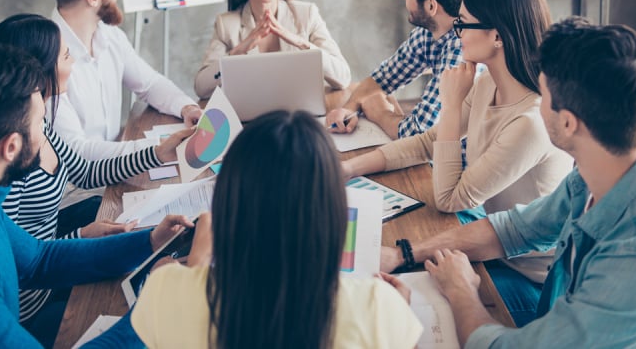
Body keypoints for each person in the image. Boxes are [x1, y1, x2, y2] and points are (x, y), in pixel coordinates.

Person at [391, 17, 636, 347]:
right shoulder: (611, 163)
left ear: (567, 123)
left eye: (543, 94)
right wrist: (402, 254)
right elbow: (514, 229)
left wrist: (462, 289)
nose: (537, 103)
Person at [0, 45, 193, 348]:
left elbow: (38, 260)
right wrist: (158, 306)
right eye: (40, 124)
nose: (46, 132)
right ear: (10, 147)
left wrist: (149, 242)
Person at [344, 0, 573, 326]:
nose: (456, 33)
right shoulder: (485, 84)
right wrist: (347, 168)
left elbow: (450, 198)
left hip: (528, 278)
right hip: (493, 238)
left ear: (497, 36)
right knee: (399, 234)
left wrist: (451, 107)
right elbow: (426, 142)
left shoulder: (530, 121)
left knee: (413, 300)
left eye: (463, 24)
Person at [130, 110, 423, 348]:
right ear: (331, 212)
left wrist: (191, 270)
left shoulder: (164, 291)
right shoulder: (380, 310)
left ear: (227, 203)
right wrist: (396, 319)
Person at [0, 13, 193, 339]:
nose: (73, 61)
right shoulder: (10, 162)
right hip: (33, 304)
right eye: (66, 55)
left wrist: (157, 153)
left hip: (52, 259)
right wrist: (80, 237)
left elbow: (84, 171)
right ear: (39, 73)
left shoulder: (41, 121)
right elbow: (22, 263)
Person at [42, 0, 202, 161]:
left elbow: (150, 84)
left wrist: (186, 108)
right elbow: (76, 152)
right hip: (78, 190)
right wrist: (156, 149)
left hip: (118, 164)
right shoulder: (47, 58)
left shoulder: (110, 36)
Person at [326, 0, 478, 139]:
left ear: (431, 6)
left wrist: (379, 112)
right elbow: (384, 77)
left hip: (459, 163)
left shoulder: (462, 51)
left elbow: (420, 134)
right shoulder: (431, 30)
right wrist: (349, 109)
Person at [194, 0, 351, 99]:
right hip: (252, 117)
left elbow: (342, 78)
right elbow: (202, 88)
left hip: (300, 115)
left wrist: (302, 43)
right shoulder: (226, 24)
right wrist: (239, 50)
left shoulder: (307, 14)